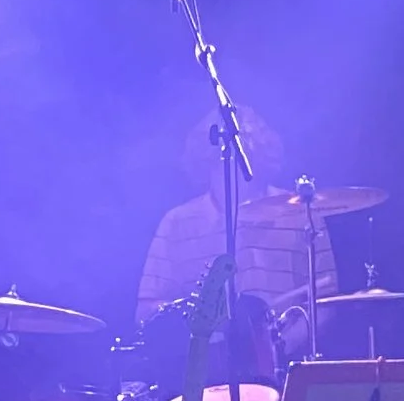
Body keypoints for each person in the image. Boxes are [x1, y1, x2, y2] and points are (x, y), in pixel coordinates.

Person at [134, 115, 333, 343]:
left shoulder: (303, 214)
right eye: (223, 166)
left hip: (287, 363)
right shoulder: (177, 223)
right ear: (205, 166)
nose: (234, 175)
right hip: (205, 366)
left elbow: (326, 304)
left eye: (246, 166)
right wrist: (195, 324)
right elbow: (147, 310)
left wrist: (277, 351)